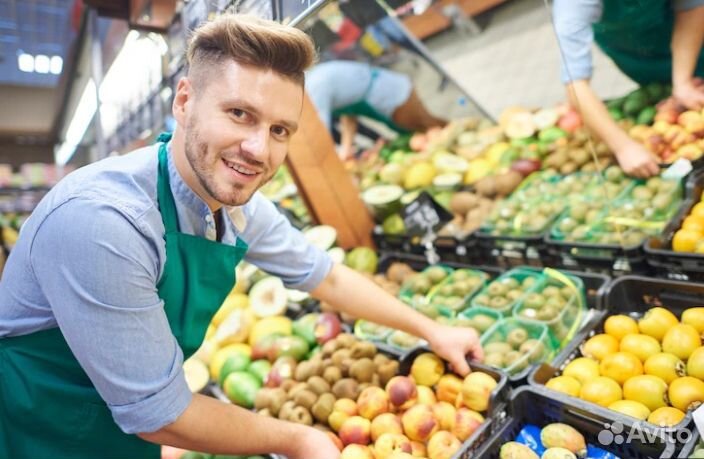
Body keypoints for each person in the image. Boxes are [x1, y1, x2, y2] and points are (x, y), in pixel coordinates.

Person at [0, 15, 482, 459]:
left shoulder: (238, 208)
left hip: (120, 428)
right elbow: (159, 414)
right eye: (239, 114)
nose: (258, 149)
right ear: (185, 102)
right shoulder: (105, 222)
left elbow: (325, 278)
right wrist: (299, 439)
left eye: (279, 130)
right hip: (38, 432)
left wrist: (432, 331)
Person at [553, 0, 704, 178]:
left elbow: (691, 7)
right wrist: (623, 146)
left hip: (689, 35)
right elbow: (575, 82)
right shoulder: (572, 5)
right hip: (634, 51)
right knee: (658, 93)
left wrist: (682, 82)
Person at [306, 60, 446, 159]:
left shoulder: (313, 89)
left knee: (434, 131)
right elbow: (349, 116)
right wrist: (346, 149)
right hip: (389, 96)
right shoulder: (314, 81)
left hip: (394, 96)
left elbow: (320, 137)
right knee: (424, 138)